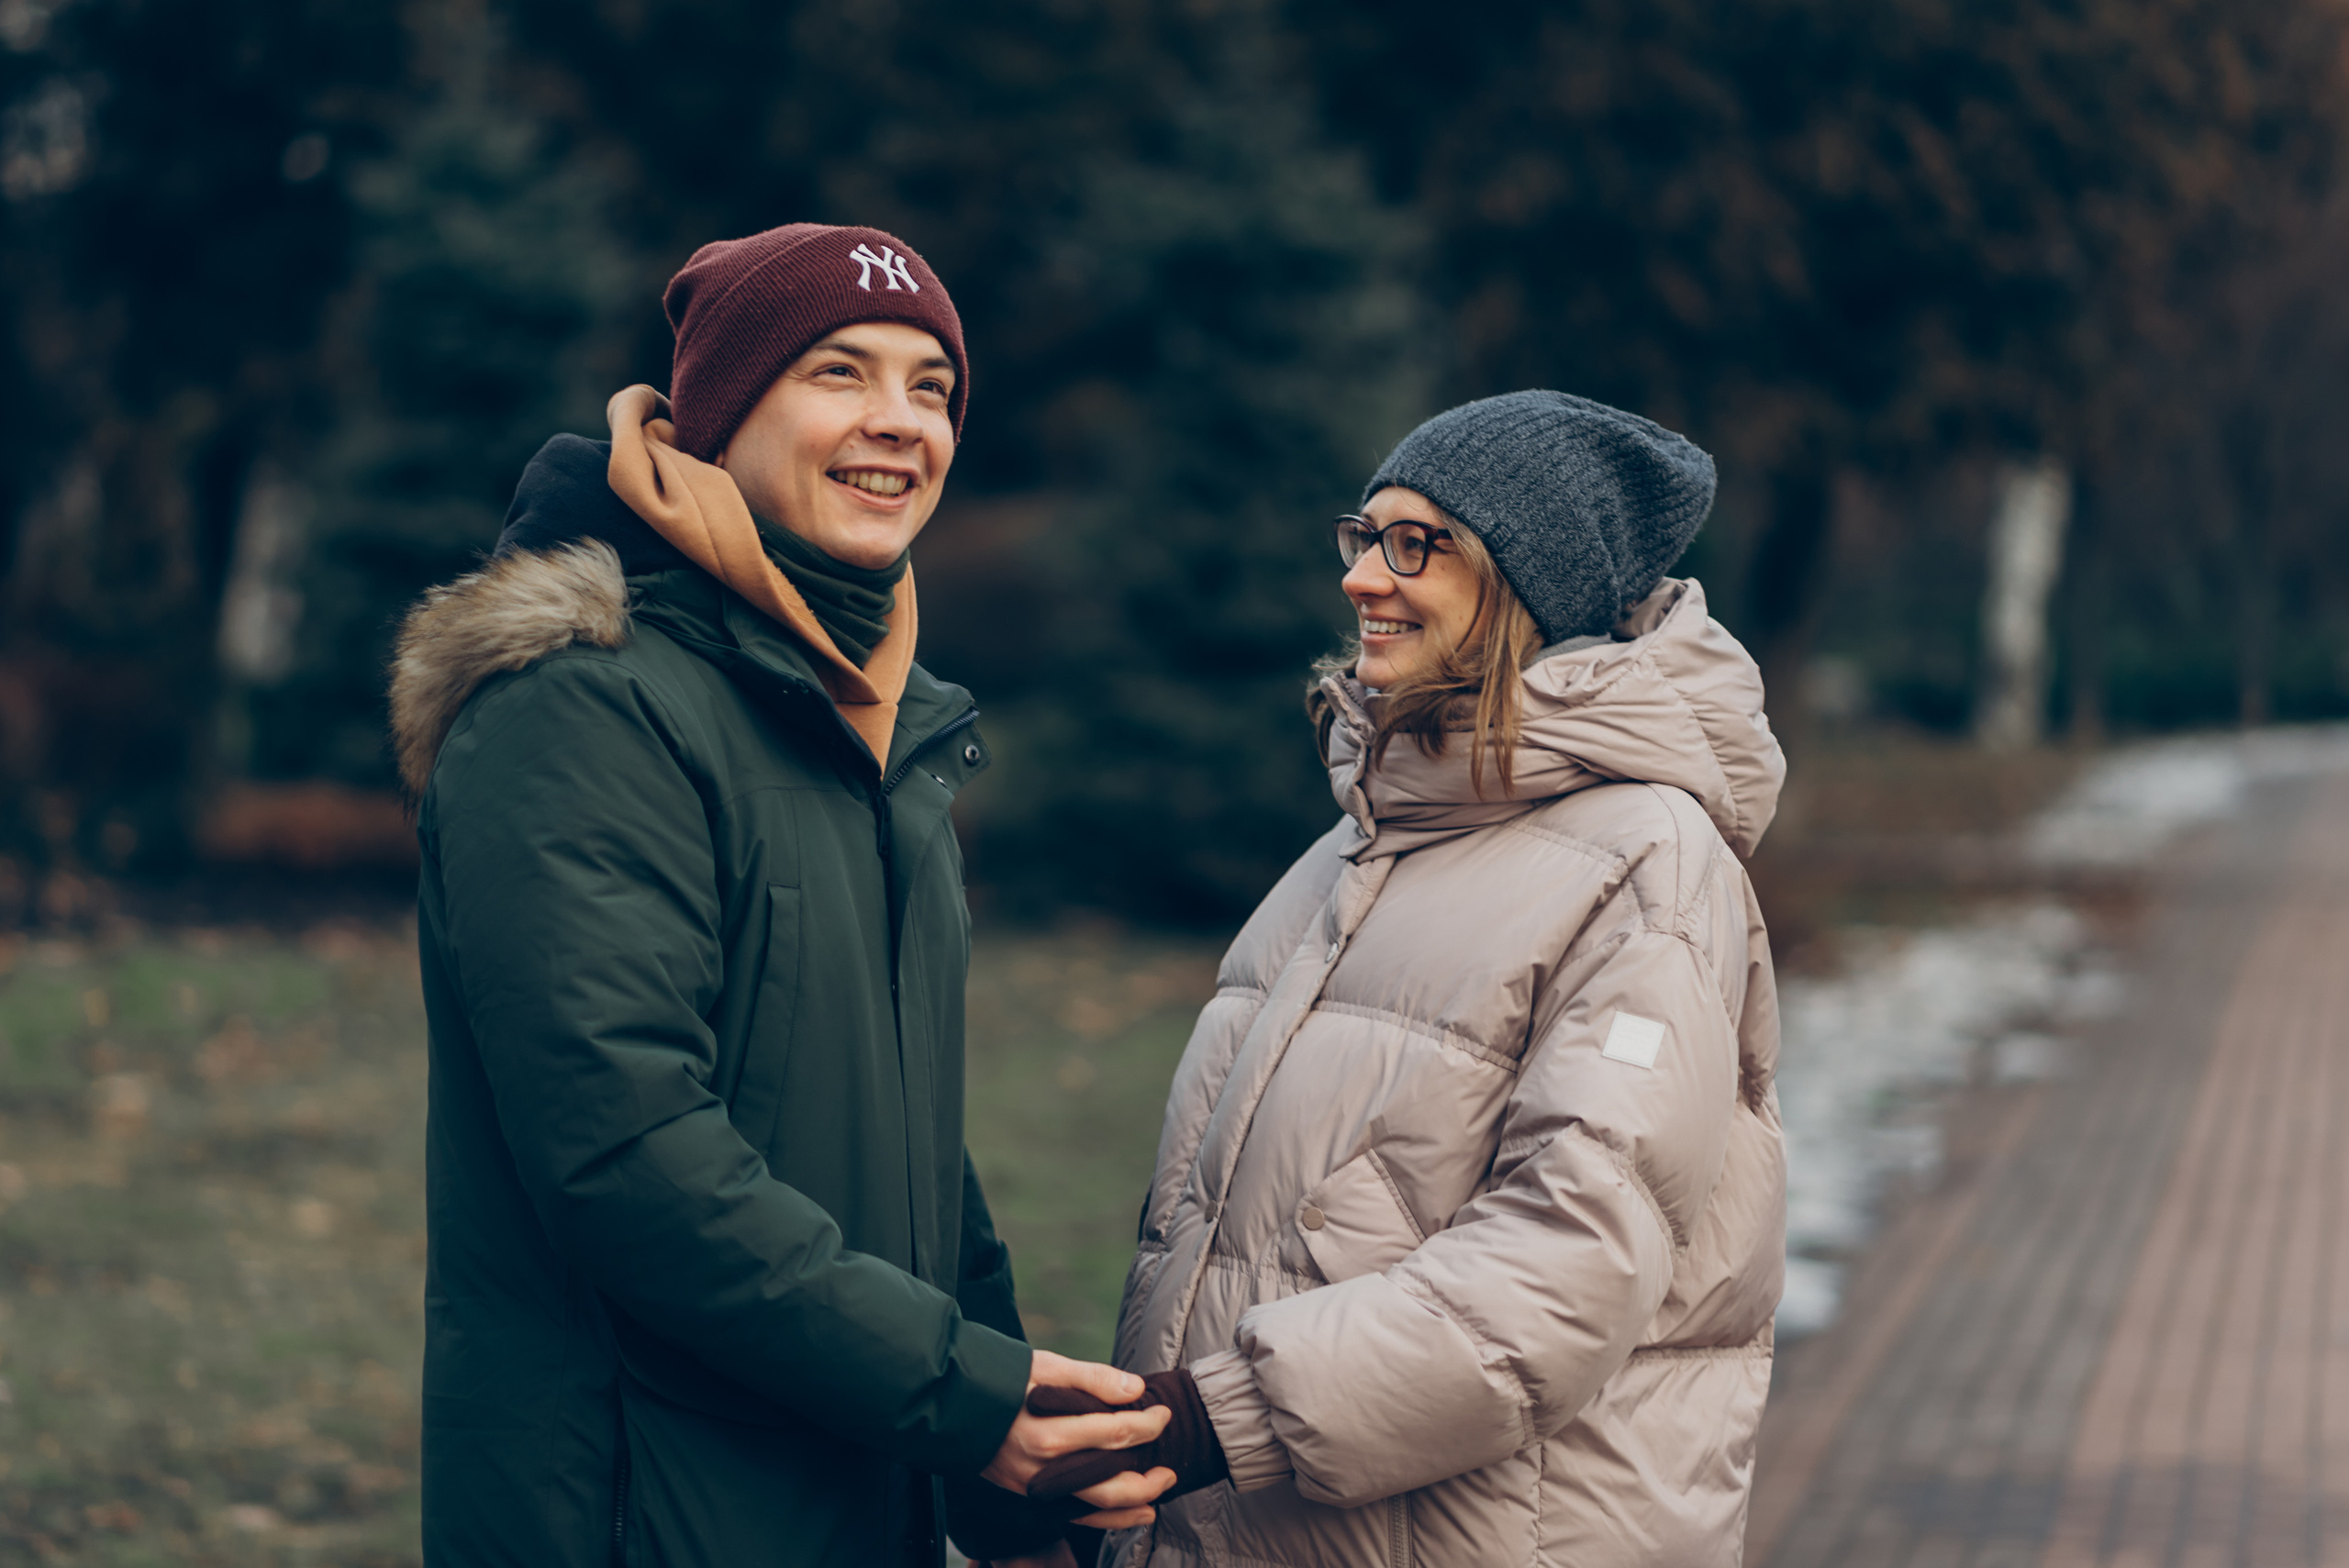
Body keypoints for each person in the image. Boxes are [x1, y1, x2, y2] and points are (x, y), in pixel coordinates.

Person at [387, 222, 1173, 1568]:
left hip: (848, 1476)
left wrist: (1000, 1456)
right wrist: (958, 1395)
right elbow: (624, 1154)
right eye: (839, 372)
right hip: (644, 1507)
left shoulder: (870, 723)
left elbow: (908, 1139)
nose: (900, 421)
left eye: (932, 387)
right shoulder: (583, 706)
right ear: (721, 415)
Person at [1042, 392, 1789, 1564]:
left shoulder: (1648, 861)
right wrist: (1118, 1468)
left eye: (1415, 543)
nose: (1360, 577)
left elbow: (1570, 1254)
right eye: (1364, 534)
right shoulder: (1356, 845)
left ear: (1527, 584)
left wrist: (1213, 1419)